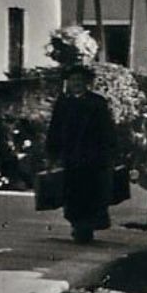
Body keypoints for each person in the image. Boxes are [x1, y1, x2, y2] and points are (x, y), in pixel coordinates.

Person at [46, 64, 119, 243]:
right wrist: (52, 153)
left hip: (93, 157)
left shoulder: (97, 102)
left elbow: (107, 130)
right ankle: (77, 225)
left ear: (87, 83)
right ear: (68, 83)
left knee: (91, 193)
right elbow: (55, 128)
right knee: (72, 193)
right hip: (71, 156)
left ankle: (86, 227)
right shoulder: (63, 103)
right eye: (73, 80)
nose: (76, 83)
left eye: (80, 80)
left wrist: (110, 152)